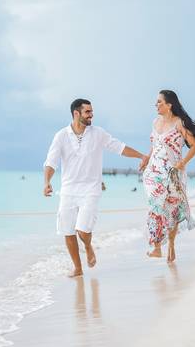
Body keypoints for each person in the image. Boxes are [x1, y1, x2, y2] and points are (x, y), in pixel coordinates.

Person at [44, 99, 149, 277]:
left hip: (91, 190)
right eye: (88, 112)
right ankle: (77, 268)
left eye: (91, 111)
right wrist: (47, 182)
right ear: (76, 114)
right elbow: (51, 162)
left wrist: (141, 156)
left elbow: (119, 147)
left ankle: (87, 245)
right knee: (67, 231)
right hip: (68, 190)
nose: (91, 115)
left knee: (83, 229)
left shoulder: (98, 133)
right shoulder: (61, 136)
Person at [141, 90, 195, 262]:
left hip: (173, 173)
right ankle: (156, 246)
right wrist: (146, 159)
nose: (156, 105)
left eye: (159, 102)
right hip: (154, 173)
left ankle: (170, 244)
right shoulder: (155, 122)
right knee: (155, 205)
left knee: (172, 210)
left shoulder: (179, 123)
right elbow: (154, 145)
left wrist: (183, 162)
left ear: (169, 105)